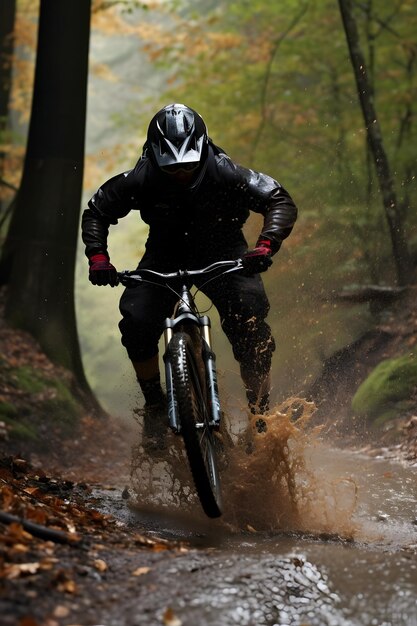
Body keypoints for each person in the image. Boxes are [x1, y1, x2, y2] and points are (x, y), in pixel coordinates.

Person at [81, 103, 297, 420]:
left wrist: (265, 246)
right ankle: (154, 405)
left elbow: (277, 199)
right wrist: (98, 258)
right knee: (137, 321)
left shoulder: (225, 172)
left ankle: (259, 413)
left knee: (249, 321)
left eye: (189, 166)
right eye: (171, 169)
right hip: (164, 252)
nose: (181, 174)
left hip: (224, 249)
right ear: (155, 157)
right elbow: (98, 212)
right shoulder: (141, 178)